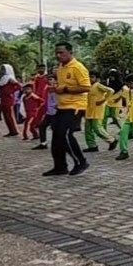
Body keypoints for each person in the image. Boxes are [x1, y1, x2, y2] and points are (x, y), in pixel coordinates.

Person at [44, 42, 91, 177]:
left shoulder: (78, 67)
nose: (58, 55)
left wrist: (65, 89)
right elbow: (62, 85)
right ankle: (60, 166)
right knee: (56, 135)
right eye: (57, 53)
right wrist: (56, 88)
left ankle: (81, 161)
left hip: (75, 106)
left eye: (61, 53)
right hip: (62, 106)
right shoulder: (60, 68)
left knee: (66, 134)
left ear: (70, 52)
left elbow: (86, 87)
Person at [83, 71, 117, 153]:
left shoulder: (98, 85)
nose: (90, 79)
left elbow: (111, 91)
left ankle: (112, 140)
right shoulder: (88, 86)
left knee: (97, 128)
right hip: (89, 110)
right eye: (89, 77)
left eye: (92, 77)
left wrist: (103, 100)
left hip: (97, 110)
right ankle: (92, 145)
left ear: (97, 78)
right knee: (87, 129)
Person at [33, 73, 58, 151]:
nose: (48, 81)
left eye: (51, 79)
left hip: (56, 112)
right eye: (48, 79)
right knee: (42, 126)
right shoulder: (47, 89)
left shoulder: (58, 88)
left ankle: (58, 145)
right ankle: (43, 143)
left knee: (55, 129)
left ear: (56, 80)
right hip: (49, 112)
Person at [0, 64, 21, 137]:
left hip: (9, 99)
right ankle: (10, 130)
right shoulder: (3, 78)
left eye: (4, 69)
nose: (3, 71)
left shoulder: (10, 78)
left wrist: (11, 91)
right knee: (5, 116)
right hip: (3, 99)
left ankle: (15, 130)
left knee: (10, 115)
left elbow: (19, 86)